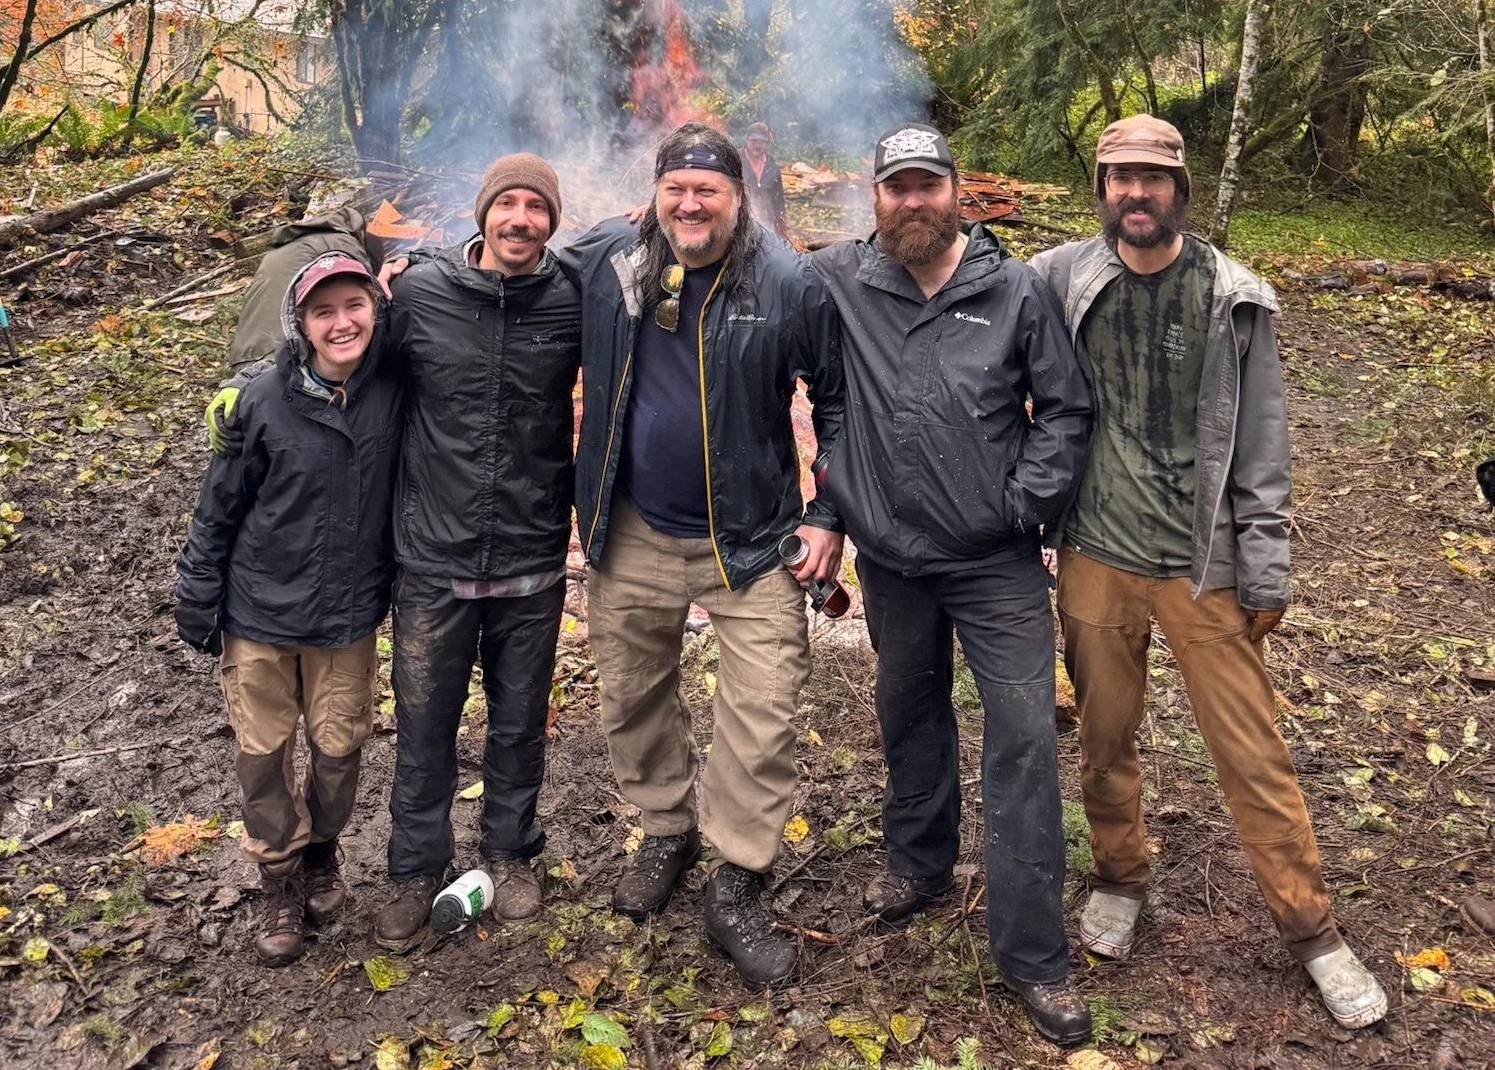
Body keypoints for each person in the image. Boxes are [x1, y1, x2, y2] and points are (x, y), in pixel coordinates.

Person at [1032, 115, 1388, 1032]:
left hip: (1205, 570)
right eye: (1118, 177)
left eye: (1152, 178)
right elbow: (972, 294)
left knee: (1252, 754)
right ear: (1101, 186)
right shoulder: (1064, 278)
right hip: (1097, 557)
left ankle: (1313, 931)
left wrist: (1266, 561)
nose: (1134, 194)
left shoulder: (1234, 296)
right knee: (1105, 737)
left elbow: (1264, 446)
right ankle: (1120, 874)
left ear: (1179, 188)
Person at [811, 124, 1095, 1048]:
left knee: (1021, 741)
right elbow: (748, 282)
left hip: (994, 562)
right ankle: (919, 864)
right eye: (896, 187)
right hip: (892, 557)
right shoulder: (844, 281)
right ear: (876, 194)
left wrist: (1022, 506)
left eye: (928, 185)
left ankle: (1034, 956)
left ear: (959, 191)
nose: (912, 201)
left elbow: (1064, 409)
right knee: (908, 709)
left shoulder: (1012, 291)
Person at [562, 122, 845, 987]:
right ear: (655, 193)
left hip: (751, 540)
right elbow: (514, 272)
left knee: (760, 713)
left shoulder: (789, 281)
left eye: (708, 190)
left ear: (736, 197)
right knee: (632, 695)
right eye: (676, 188)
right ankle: (666, 831)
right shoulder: (610, 260)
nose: (691, 204)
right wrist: (434, 259)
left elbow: (835, 401)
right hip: (634, 527)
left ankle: (736, 876)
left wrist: (829, 510)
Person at [372, 154, 582, 948]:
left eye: (537, 207)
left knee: (520, 719)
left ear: (550, 222)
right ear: (484, 211)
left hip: (530, 549)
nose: (521, 219)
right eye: (509, 204)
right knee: (424, 721)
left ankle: (511, 852)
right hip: (433, 553)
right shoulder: (420, 293)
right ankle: (413, 868)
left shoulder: (570, 300)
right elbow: (356, 368)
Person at [174, 252, 402, 965]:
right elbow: (219, 509)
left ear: (375, 309)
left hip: (347, 612)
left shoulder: (394, 388)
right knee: (264, 756)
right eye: (323, 311)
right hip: (261, 613)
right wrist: (196, 590)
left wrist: (407, 261)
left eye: (354, 306)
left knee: (340, 748)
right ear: (300, 325)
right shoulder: (260, 404)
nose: (342, 323)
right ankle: (277, 874)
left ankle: (321, 853)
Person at [225, 180, 377, 370]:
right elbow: (368, 286)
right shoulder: (340, 243)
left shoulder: (289, 247)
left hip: (245, 352)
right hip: (283, 354)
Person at [741, 122, 790, 241]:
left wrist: (781, 219)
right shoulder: (736, 160)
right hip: (740, 222)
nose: (758, 145)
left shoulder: (772, 166)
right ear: (747, 140)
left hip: (766, 221)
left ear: (767, 143)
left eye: (762, 142)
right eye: (754, 141)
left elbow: (778, 196)